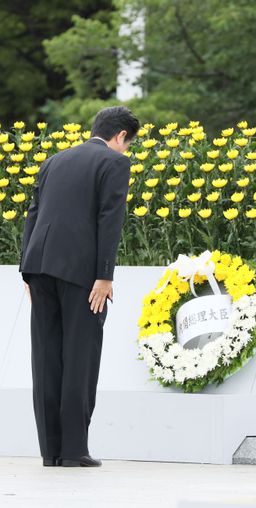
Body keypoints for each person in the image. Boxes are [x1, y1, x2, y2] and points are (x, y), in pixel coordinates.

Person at [19, 106, 140, 467]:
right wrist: (105, 276)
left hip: (39, 267)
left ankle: (50, 451)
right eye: (128, 143)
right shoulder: (115, 163)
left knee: (45, 359)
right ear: (120, 136)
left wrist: (27, 269)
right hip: (82, 274)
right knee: (79, 357)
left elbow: (33, 213)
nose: (126, 150)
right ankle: (73, 451)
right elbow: (110, 218)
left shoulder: (55, 160)